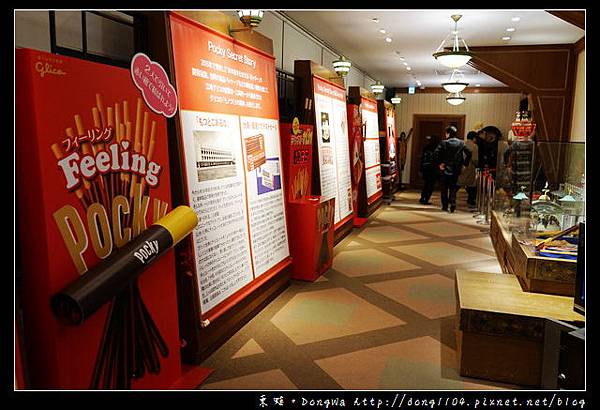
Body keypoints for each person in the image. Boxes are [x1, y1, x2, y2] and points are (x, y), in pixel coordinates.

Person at [434, 125, 472, 213]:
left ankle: (445, 205)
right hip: (456, 169)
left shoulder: (444, 143)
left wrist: (440, 164)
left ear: (448, 133)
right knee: (453, 187)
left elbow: (435, 154)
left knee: (444, 188)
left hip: (445, 168)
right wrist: (464, 165)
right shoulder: (461, 143)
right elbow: (469, 153)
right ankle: (453, 203)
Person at [457, 131, 479, 208]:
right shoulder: (475, 146)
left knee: (458, 183)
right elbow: (475, 159)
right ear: (474, 138)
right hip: (470, 167)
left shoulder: (462, 143)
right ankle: (471, 200)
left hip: (461, 166)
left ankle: (451, 198)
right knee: (471, 185)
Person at [419, 135, 438, 205]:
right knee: (431, 185)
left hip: (426, 168)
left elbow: (422, 159)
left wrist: (420, 169)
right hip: (433, 169)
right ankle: (426, 199)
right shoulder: (437, 148)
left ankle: (422, 198)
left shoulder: (426, 148)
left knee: (426, 184)